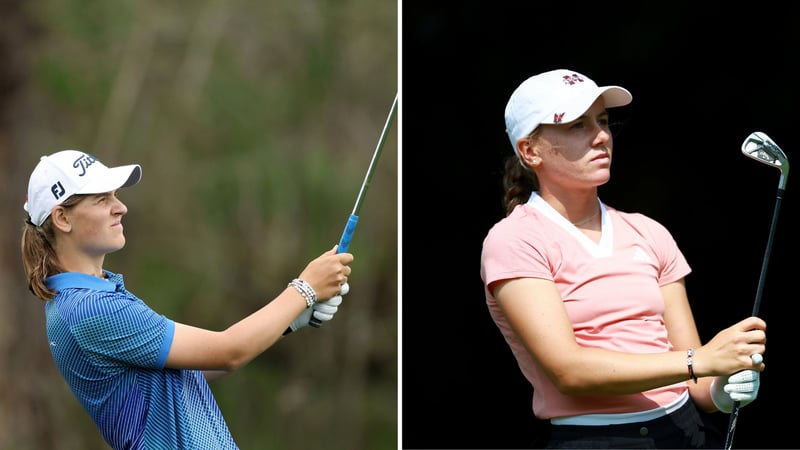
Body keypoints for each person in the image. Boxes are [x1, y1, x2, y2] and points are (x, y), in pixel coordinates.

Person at [479, 69, 766, 449]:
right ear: (530, 151)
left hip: (685, 432)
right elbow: (570, 372)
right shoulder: (514, 240)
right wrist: (701, 361)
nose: (601, 136)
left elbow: (696, 384)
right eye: (578, 125)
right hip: (595, 439)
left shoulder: (648, 232)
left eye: (602, 121)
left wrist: (723, 390)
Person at [20, 149, 354, 449]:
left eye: (115, 196)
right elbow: (229, 351)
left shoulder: (96, 294)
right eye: (101, 199)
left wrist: (290, 320)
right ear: (63, 218)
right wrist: (304, 289)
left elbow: (188, 368)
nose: (120, 207)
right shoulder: (90, 308)